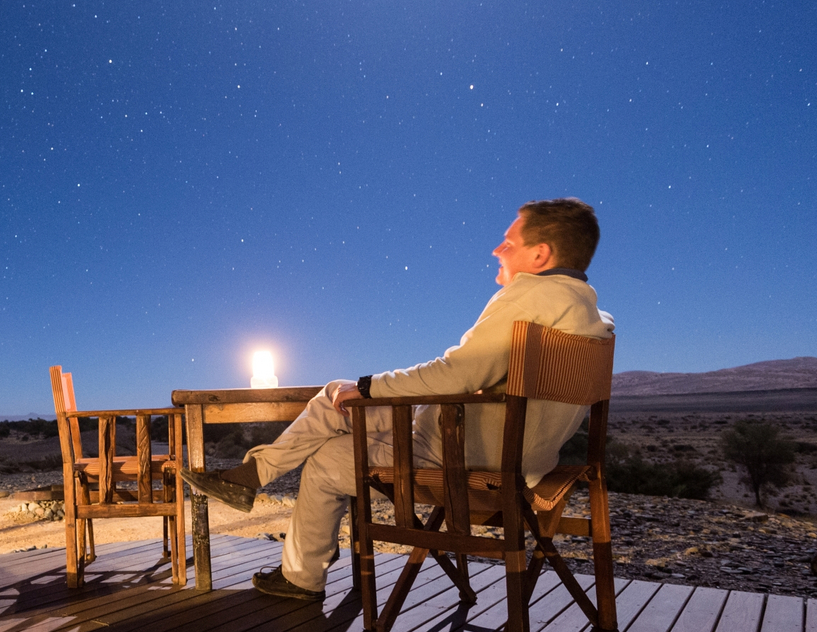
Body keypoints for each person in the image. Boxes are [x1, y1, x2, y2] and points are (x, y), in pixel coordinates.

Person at [183, 198, 615, 600]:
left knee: (329, 453)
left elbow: (458, 372)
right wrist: (367, 388)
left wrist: (369, 387)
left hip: (464, 460)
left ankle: (299, 570)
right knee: (334, 397)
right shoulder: (592, 317)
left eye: (509, 243)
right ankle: (252, 481)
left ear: (540, 254)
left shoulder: (529, 297)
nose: (496, 250)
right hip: (514, 456)